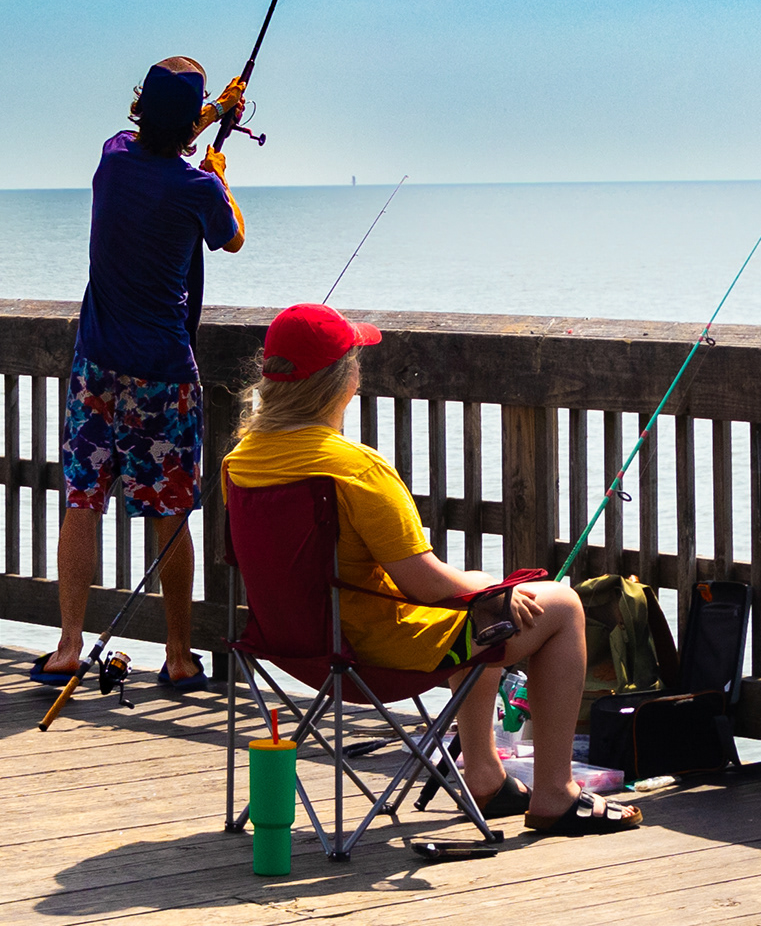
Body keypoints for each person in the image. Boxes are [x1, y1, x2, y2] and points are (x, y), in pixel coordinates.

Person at [223, 303, 643, 836]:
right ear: (343, 382)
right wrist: (495, 588)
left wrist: (487, 592)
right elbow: (422, 583)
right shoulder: (354, 469)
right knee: (557, 605)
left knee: (484, 606)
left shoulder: (240, 461)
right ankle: (555, 795)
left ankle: (487, 776)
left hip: (290, 644)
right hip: (372, 651)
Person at [35, 58, 247, 691]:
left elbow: (156, 137)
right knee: (171, 514)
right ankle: (179, 657)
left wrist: (209, 115)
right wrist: (218, 173)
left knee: (82, 503)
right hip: (164, 376)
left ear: (138, 108)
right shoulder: (198, 190)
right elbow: (231, 237)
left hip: (96, 369)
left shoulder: (113, 160)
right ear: (188, 120)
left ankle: (70, 644)